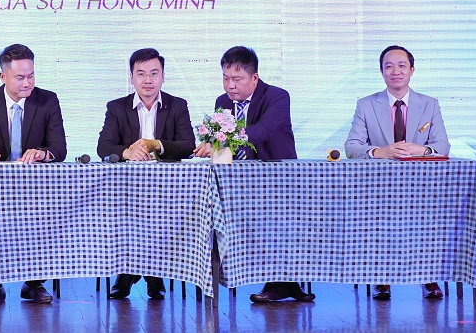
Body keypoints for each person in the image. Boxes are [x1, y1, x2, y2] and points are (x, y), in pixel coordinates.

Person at [193, 46, 314, 303]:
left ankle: (284, 283)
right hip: (240, 182)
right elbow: (223, 148)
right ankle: (231, 277)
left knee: (280, 228)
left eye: (237, 79)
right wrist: (213, 145)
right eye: (226, 78)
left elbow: (262, 131)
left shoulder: (277, 96)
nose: (230, 85)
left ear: (254, 77)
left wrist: (221, 140)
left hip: (279, 177)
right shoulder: (223, 102)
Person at [344, 45, 450, 301]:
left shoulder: (430, 104)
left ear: (412, 70)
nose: (396, 71)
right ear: (382, 71)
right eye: (389, 66)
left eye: (402, 65)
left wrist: (421, 150)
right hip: (378, 188)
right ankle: (381, 278)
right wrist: (381, 151)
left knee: (429, 219)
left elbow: (443, 146)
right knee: (378, 220)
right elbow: (351, 147)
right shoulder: (366, 105)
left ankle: (429, 277)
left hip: (421, 187)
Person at [0, 44, 67, 305]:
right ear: (3, 76)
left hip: (36, 186)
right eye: (20, 77)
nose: (27, 83)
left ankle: (34, 283)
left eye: (31, 76)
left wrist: (42, 154)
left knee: (45, 217)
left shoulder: (48, 100)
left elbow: (59, 148)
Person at [96, 48, 195, 300]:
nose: (148, 80)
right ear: (131, 77)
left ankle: (154, 273)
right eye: (141, 74)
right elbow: (103, 147)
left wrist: (157, 145)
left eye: (154, 73)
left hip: (167, 191)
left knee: (160, 214)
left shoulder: (177, 105)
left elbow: (187, 145)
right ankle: (126, 272)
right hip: (126, 189)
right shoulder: (117, 107)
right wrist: (127, 152)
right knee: (122, 213)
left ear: (163, 77)